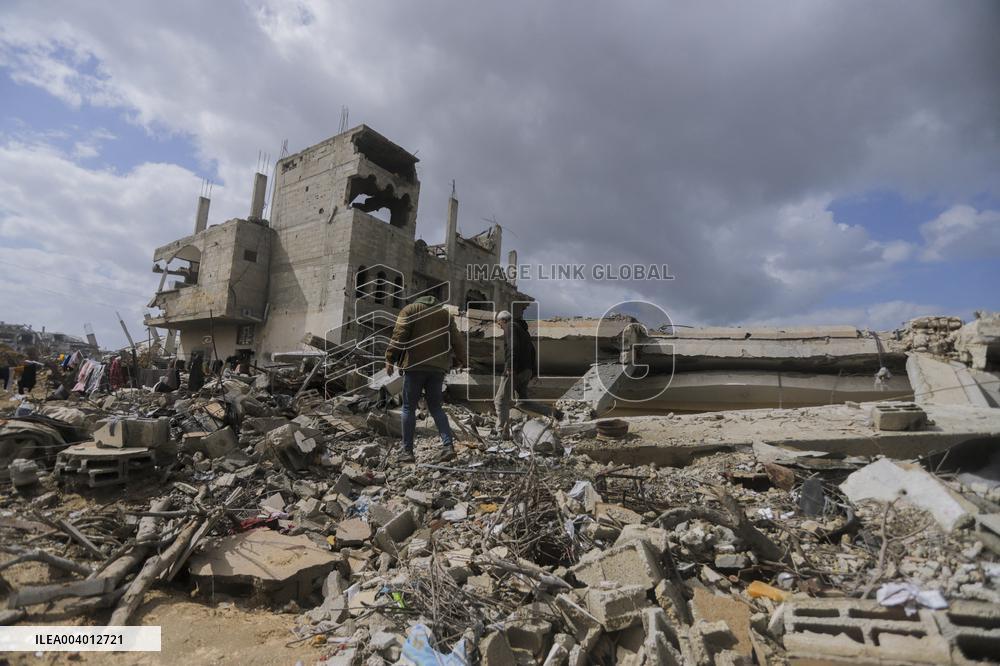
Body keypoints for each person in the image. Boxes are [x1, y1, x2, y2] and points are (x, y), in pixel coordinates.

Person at [385, 294, 467, 463]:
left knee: (409, 408)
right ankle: (447, 446)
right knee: (436, 407)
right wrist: (462, 359)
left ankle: (407, 451)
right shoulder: (446, 316)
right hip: (437, 369)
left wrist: (390, 358)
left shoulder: (409, 310)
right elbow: (457, 340)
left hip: (415, 366)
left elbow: (399, 335)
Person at [493, 310, 542, 439]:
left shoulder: (510, 326)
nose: (501, 327)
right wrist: (533, 372)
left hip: (515, 370)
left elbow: (512, 347)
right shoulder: (524, 331)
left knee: (500, 400)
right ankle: (554, 413)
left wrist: (510, 366)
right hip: (526, 371)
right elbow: (532, 351)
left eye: (499, 324)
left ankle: (500, 433)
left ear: (503, 320)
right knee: (523, 402)